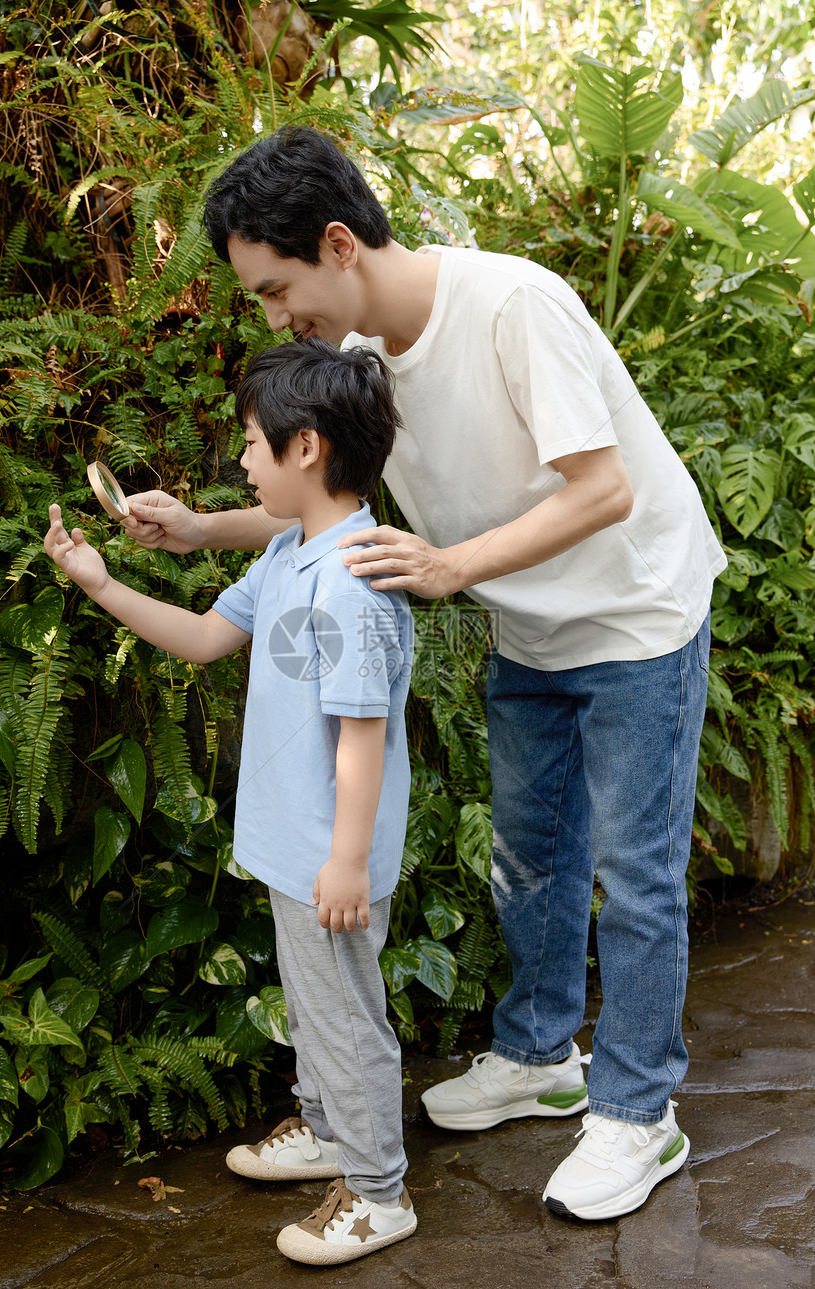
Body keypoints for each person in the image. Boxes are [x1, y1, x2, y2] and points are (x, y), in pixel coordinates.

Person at [120, 125, 727, 1223]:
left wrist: (449, 566)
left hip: (636, 613)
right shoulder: (363, 366)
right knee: (528, 861)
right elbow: (312, 499)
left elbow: (601, 491)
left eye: (274, 288)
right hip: (530, 626)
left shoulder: (510, 306)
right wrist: (194, 529)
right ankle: (539, 1055)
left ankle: (638, 1111)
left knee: (634, 876)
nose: (271, 318)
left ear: (339, 243)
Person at [45, 338, 417, 1266]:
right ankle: (331, 1129)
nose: (240, 461)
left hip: (332, 850)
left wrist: (345, 856)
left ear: (306, 449)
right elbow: (208, 637)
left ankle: (379, 1189)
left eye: (251, 441)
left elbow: (364, 734)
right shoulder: (293, 552)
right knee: (315, 998)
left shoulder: (358, 579)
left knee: (344, 1011)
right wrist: (101, 583)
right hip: (299, 843)